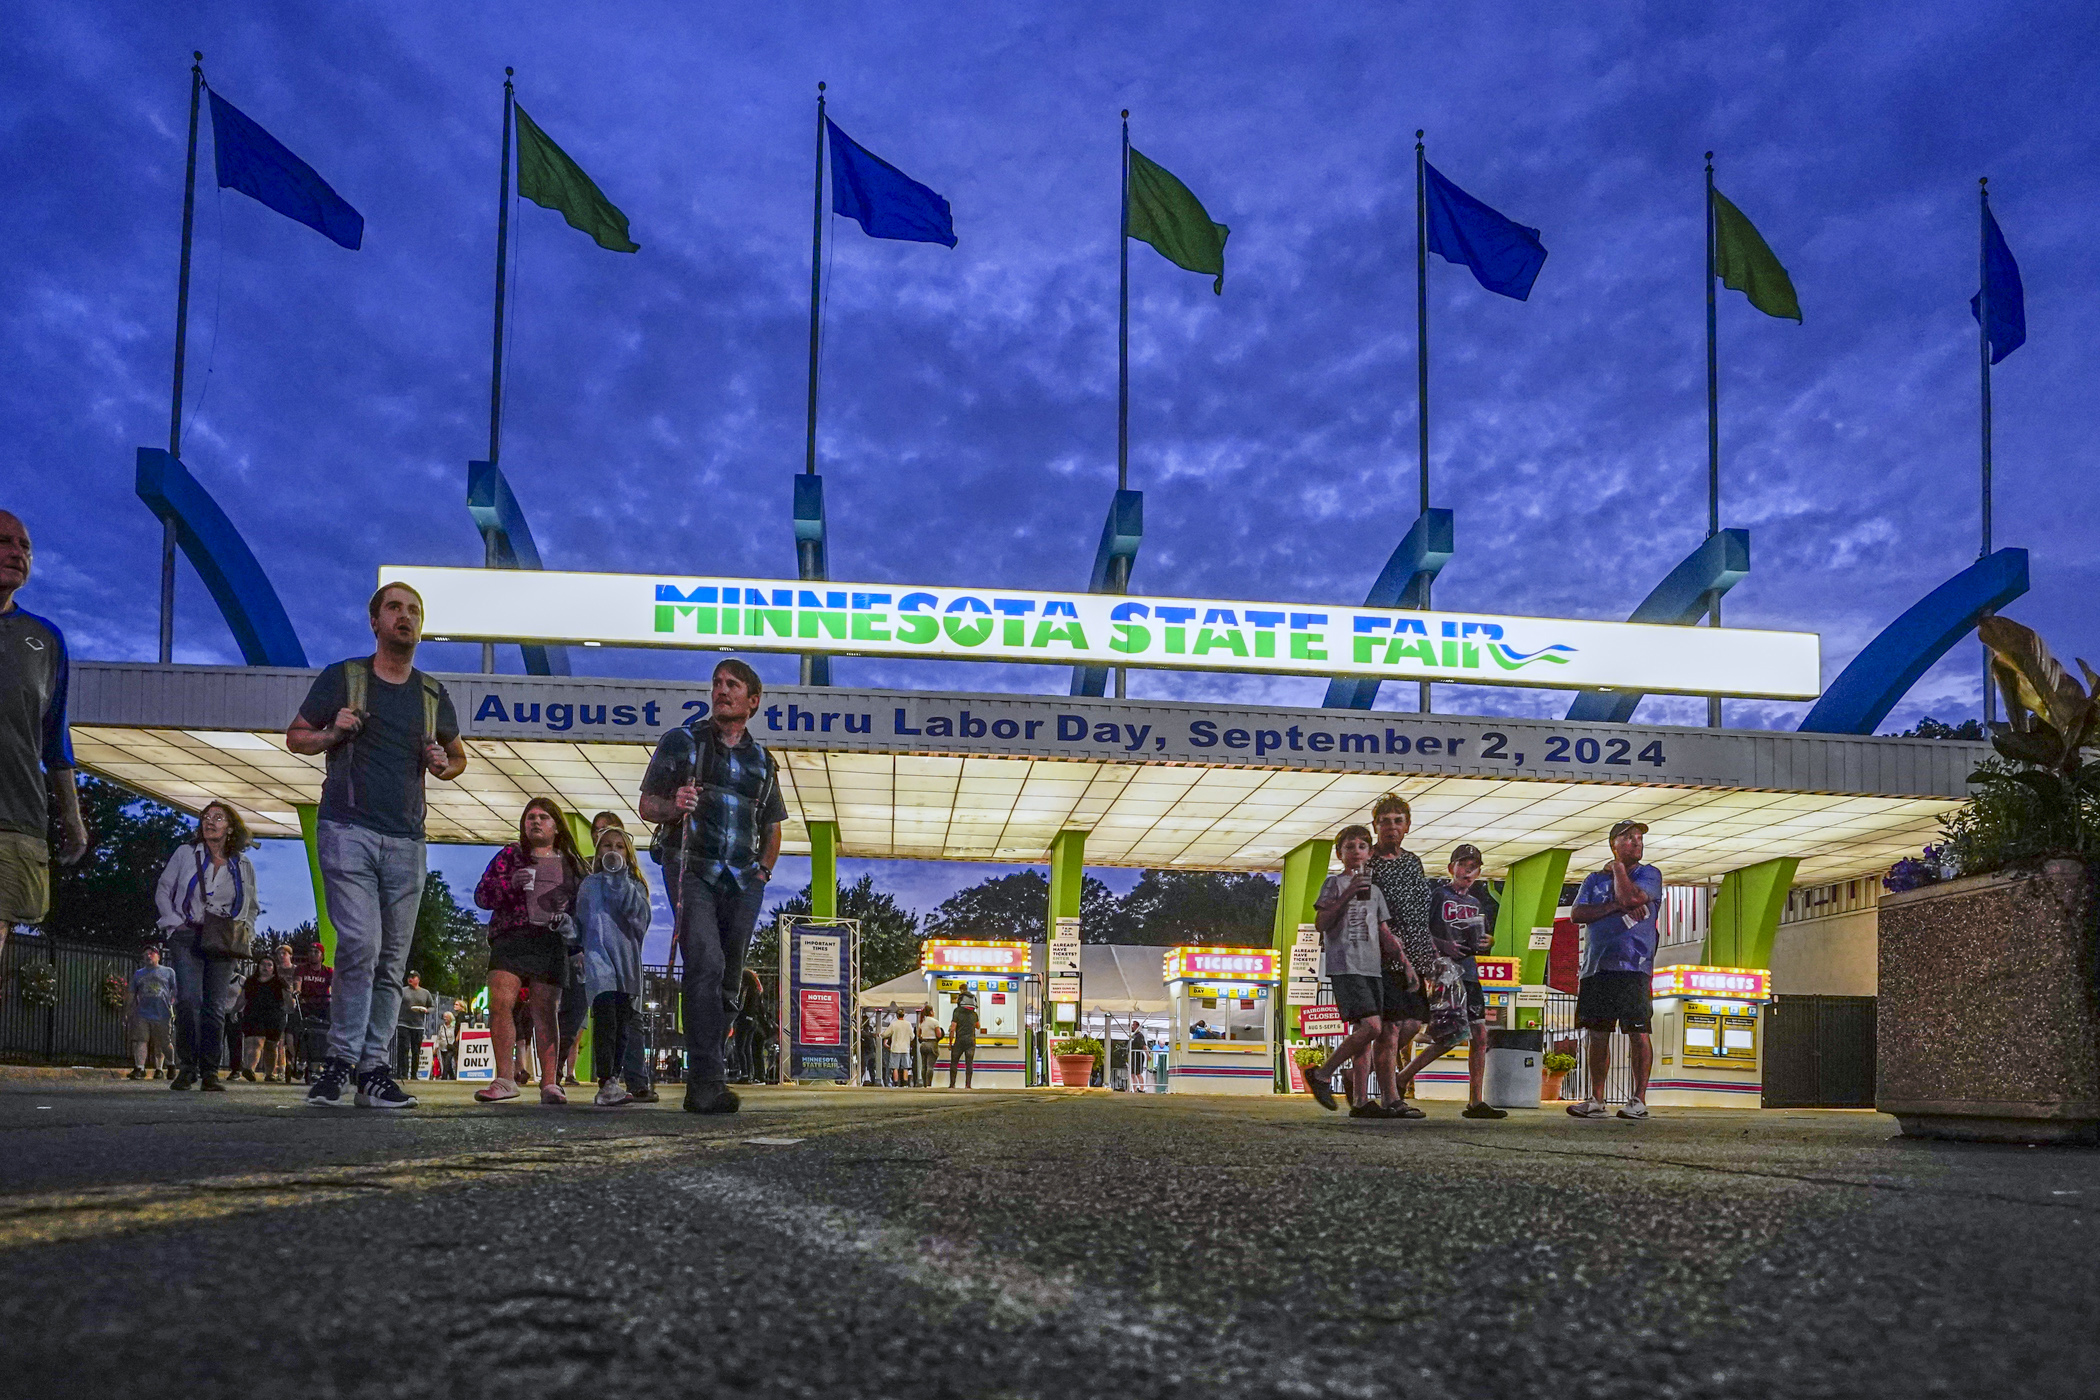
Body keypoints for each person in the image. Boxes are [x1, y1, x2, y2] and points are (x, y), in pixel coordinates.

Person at [288, 582, 466, 1109]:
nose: (405, 617)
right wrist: (333, 732)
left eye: (414, 611)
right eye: (395, 608)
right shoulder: (345, 678)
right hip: (347, 829)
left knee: (391, 959)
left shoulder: (432, 694)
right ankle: (340, 1062)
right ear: (374, 621)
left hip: (408, 839)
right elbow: (297, 736)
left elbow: (458, 758)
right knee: (361, 945)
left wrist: (443, 766)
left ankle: (373, 1069)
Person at [638, 659, 786, 1116]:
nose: (722, 690)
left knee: (728, 982)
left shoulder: (763, 761)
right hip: (692, 867)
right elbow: (647, 805)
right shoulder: (682, 742)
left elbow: (773, 824)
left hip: (744, 879)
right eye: (717, 683)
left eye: (733, 685)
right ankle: (706, 1082)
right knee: (704, 962)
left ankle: (709, 1070)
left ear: (753, 701)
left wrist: (762, 872)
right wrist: (672, 805)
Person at [0, 511, 89, 963]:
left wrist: (72, 817)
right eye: (4, 541)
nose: (17, 553)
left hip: (14, 817)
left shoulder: (45, 640)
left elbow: (56, 739)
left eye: (25, 546)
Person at [473, 797, 586, 1105]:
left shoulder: (571, 863)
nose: (535, 822)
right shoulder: (511, 855)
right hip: (510, 936)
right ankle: (505, 1078)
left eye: (544, 817)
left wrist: (573, 933)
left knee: (545, 1011)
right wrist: (510, 883)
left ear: (557, 825)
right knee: (500, 1002)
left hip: (549, 940)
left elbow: (585, 908)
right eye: (530, 817)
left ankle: (550, 1082)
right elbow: (482, 895)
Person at [1302, 824, 1412, 1118]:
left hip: (1371, 967)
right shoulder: (1334, 884)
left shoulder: (1375, 891)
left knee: (1365, 1035)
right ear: (1340, 853)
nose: (1356, 852)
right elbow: (1321, 923)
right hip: (1346, 965)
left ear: (1370, 852)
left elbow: (1383, 929)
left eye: (1362, 846)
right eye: (1349, 847)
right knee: (1372, 1027)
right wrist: (1349, 891)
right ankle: (1323, 1074)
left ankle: (1361, 1101)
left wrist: (1404, 961)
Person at [1393, 843, 1507, 1118]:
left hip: (1468, 972)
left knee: (1479, 1034)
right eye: (1463, 865)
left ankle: (1475, 1100)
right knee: (1451, 1033)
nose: (1468, 871)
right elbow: (1417, 930)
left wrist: (1488, 941)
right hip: (1442, 972)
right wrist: (1443, 945)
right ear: (1451, 868)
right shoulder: (1438, 896)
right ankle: (1400, 1075)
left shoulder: (1475, 903)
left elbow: (1478, 937)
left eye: (1474, 867)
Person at [154, 801, 260, 1092]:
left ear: (231, 827)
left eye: (218, 818)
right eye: (206, 817)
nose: (210, 822)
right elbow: (164, 889)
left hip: (223, 939)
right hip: (187, 934)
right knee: (189, 1000)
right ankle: (187, 1067)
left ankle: (210, 1072)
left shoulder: (243, 864)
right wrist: (174, 923)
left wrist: (245, 931)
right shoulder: (185, 853)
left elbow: (251, 905)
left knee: (215, 1007)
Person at [1568, 821, 1663, 1121]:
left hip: (1634, 965)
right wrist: (1614, 906)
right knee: (1598, 1033)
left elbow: (1633, 899)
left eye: (1638, 838)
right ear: (1614, 844)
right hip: (1597, 966)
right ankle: (1597, 1099)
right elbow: (1577, 913)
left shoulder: (1649, 874)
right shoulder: (1593, 880)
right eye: (1628, 838)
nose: (1636, 843)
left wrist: (1620, 871)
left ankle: (1638, 1100)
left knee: (1638, 1032)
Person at [1366, 793, 1434, 1118]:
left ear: (1407, 825)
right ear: (1375, 826)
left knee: (1415, 1023)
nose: (1391, 827)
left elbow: (1421, 913)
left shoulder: (1413, 862)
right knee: (1390, 1028)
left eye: (1398, 820)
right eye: (1385, 821)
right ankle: (1392, 1099)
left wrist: (1428, 960)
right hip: (1381, 957)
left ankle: (1382, 1077)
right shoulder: (1368, 864)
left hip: (1416, 958)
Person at [577, 824, 652, 1107]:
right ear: (598, 851)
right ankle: (605, 1080)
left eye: (619, 847)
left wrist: (620, 881)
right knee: (605, 1015)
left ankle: (615, 1078)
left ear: (628, 854)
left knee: (622, 1023)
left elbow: (640, 921)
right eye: (607, 846)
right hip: (598, 961)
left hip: (627, 963)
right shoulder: (589, 885)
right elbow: (582, 921)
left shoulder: (635, 886)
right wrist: (569, 934)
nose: (613, 851)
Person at [238, 950, 291, 1082]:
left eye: (269, 965)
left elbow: (287, 998)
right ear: (258, 966)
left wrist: (290, 1008)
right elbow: (242, 998)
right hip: (253, 1015)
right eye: (263, 964)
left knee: (271, 1045)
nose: (265, 967)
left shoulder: (279, 981)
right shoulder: (250, 981)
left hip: (274, 1017)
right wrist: (234, 1011)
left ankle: (269, 1073)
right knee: (255, 1042)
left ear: (274, 968)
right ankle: (250, 1069)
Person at [126, 945, 177, 1079]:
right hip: (142, 1013)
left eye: (151, 953)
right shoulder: (139, 974)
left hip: (163, 1013)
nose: (148, 956)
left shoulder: (168, 972)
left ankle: (170, 1065)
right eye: (146, 954)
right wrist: (127, 1010)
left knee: (164, 1042)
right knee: (141, 1040)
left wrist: (174, 1004)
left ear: (158, 956)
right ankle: (140, 1068)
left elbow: (176, 990)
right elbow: (131, 992)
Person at [293, 942, 333, 1083]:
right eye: (310, 951)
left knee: (324, 1033)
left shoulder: (328, 971)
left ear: (322, 956)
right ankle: (302, 1059)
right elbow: (297, 981)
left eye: (316, 952)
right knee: (302, 1031)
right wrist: (297, 990)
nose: (313, 954)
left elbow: (335, 986)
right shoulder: (302, 969)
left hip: (322, 1005)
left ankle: (319, 1063)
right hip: (305, 1005)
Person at [396, 970, 435, 1081]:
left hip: (418, 1025)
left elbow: (432, 1006)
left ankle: (414, 1074)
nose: (410, 979)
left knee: (416, 1051)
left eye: (413, 977)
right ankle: (403, 1073)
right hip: (403, 1023)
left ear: (418, 979)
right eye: (409, 977)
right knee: (403, 1049)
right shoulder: (403, 991)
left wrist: (427, 1010)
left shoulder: (425, 993)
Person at [947, 994, 980, 1089]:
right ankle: (968, 1085)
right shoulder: (974, 1014)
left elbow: (953, 1028)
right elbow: (978, 1026)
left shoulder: (957, 1012)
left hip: (959, 1040)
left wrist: (950, 1043)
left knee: (954, 1062)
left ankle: (952, 1084)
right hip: (970, 1041)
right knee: (969, 1063)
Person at [884, 1009, 918, 1087]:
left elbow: (886, 1034)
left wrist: (880, 1035)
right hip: (905, 1049)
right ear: (904, 1015)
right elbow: (912, 1037)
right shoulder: (908, 1024)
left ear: (897, 1015)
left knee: (895, 1067)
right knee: (905, 1067)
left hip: (895, 1048)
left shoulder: (894, 1024)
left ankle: (896, 1084)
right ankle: (905, 1084)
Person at [916, 1009, 944, 1088]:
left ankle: (924, 1084)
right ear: (931, 1012)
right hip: (932, 1044)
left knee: (924, 1065)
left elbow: (918, 1034)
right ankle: (929, 1084)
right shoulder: (935, 1022)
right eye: (933, 1011)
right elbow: (938, 1035)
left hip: (923, 1044)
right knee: (930, 1066)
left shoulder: (922, 1022)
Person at [1127, 1020, 1148, 1092]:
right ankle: (1134, 1089)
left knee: (1138, 1073)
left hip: (1138, 1056)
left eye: (1133, 1025)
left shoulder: (1140, 1035)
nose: (1132, 1027)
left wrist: (1147, 1055)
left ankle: (1142, 1088)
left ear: (1137, 1026)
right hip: (1133, 1056)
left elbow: (1144, 1046)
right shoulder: (1133, 1035)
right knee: (1132, 1074)